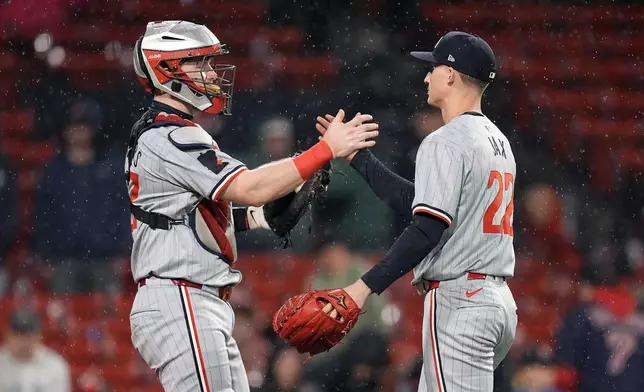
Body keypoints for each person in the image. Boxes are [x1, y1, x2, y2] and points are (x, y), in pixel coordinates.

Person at [127, 20, 378, 392]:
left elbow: (194, 216)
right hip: (181, 297)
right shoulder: (170, 135)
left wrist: (260, 218)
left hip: (190, 298)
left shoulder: (163, 132)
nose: (212, 73)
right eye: (201, 63)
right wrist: (325, 149)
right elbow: (250, 186)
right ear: (168, 68)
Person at [314, 31, 518, 391]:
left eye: (433, 68)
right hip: (496, 300)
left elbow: (427, 228)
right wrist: (360, 159)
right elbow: (422, 201)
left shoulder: (445, 140)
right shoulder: (498, 141)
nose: (427, 76)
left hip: (462, 301)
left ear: (451, 75)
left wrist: (363, 288)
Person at [0, 308, 71, 392]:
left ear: (39, 336)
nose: (23, 342)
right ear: (8, 335)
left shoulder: (55, 365)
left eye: (28, 337)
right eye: (18, 336)